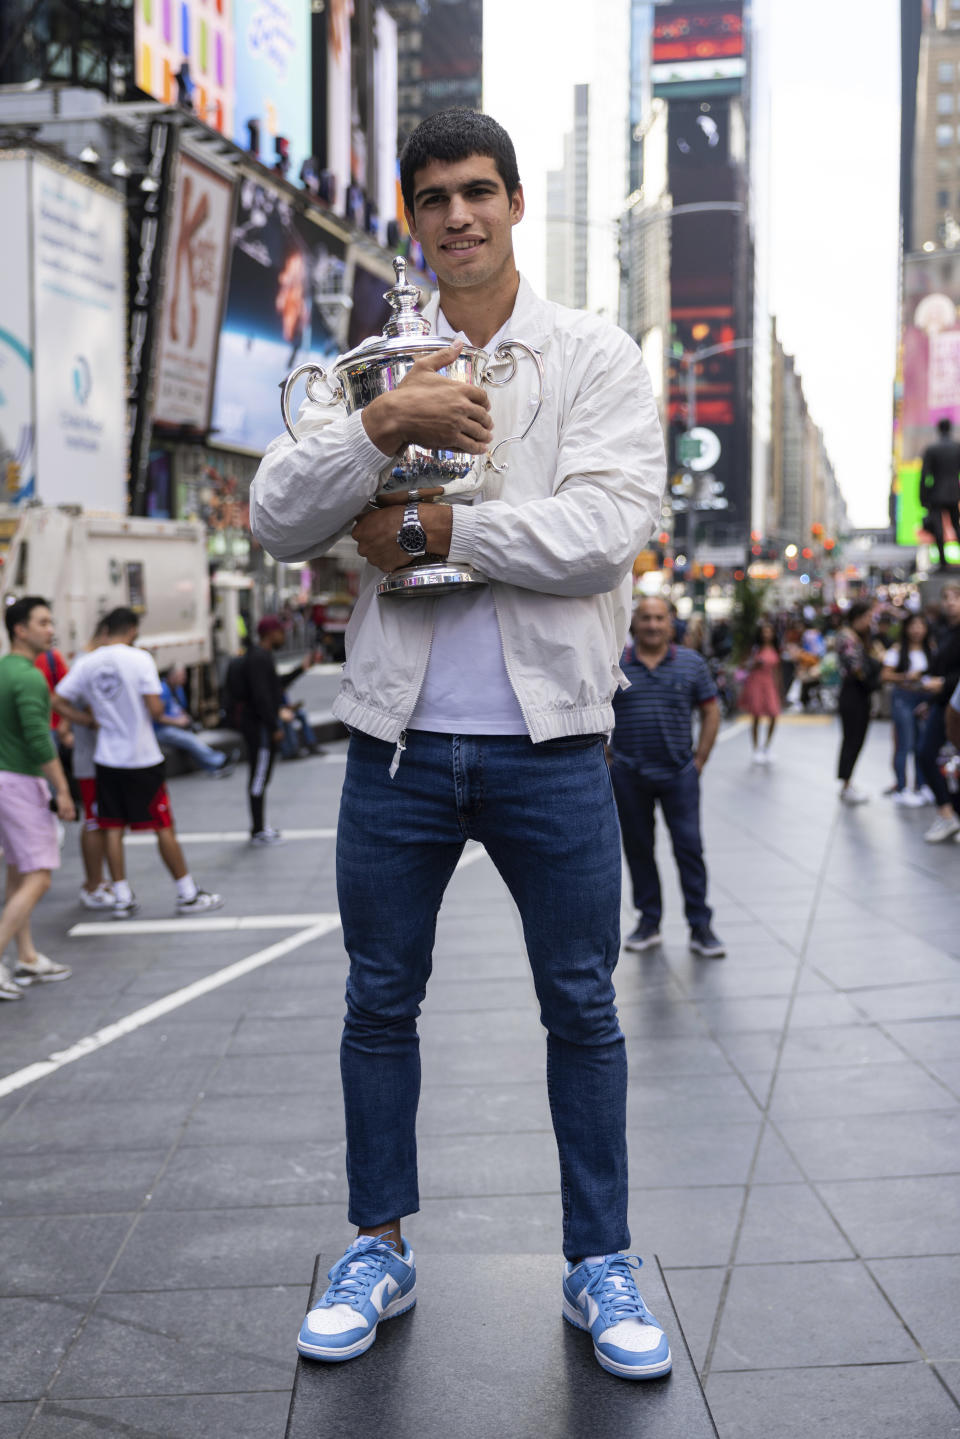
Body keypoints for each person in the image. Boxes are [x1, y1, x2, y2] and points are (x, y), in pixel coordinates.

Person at [250, 109, 670, 1379]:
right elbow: (278, 516)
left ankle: (599, 1260)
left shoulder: (594, 355)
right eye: (433, 198)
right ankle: (376, 1244)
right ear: (413, 218)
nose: (458, 217)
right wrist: (382, 428)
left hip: (552, 746)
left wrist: (440, 531)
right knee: (380, 1004)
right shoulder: (374, 365)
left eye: (478, 192)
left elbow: (605, 531)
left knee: (583, 1007)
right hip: (397, 748)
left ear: (518, 203)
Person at [53, 607, 223, 917]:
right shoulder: (140, 659)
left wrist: (89, 721)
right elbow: (156, 710)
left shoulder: (87, 663)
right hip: (142, 756)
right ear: (131, 630)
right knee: (163, 825)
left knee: (112, 826)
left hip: (106, 756)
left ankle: (121, 895)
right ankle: (186, 891)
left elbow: (58, 699)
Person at [609, 597, 725, 958]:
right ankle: (649, 921)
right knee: (639, 849)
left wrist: (700, 759)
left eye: (660, 618)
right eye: (646, 618)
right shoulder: (616, 664)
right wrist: (608, 758)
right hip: (629, 774)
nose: (653, 625)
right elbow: (596, 710)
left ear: (671, 622)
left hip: (679, 775)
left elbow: (711, 710)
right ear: (634, 622)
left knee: (689, 848)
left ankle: (700, 925)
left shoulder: (691, 663)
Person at [0, 596, 76, 1001]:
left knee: (18, 872)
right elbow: (38, 741)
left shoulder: (3, 670)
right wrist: (62, 790)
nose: (51, 630)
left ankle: (27, 955)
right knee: (40, 875)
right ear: (20, 629)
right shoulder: (29, 677)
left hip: (4, 781)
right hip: (19, 784)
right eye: (43, 622)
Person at [226, 616, 299, 844]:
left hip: (258, 723)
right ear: (270, 633)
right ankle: (257, 829)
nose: (283, 635)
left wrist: (302, 668)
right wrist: (273, 725)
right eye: (280, 631)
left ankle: (259, 827)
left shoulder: (261, 656)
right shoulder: (258, 658)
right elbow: (261, 697)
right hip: (257, 726)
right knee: (259, 776)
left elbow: (274, 688)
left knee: (261, 775)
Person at [68, 618, 114, 909]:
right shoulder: (86, 663)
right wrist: (89, 719)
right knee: (95, 822)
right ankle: (92, 884)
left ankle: (99, 880)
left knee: (103, 821)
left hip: (101, 758)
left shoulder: (89, 661)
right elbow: (61, 700)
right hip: (90, 759)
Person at [916, 581, 960, 841]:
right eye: (947, 597)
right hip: (944, 703)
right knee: (925, 755)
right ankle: (946, 813)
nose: (950, 602)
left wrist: (944, 683)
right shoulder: (943, 631)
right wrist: (931, 699)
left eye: (956, 596)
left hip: (952, 701)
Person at [881, 613, 933, 806]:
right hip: (904, 698)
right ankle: (901, 787)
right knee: (904, 743)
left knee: (923, 744)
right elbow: (885, 675)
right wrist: (907, 677)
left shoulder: (931, 649)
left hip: (925, 699)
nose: (917, 630)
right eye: (913, 625)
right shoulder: (897, 650)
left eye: (920, 625)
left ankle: (922, 784)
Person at [835, 600, 882, 805]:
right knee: (852, 739)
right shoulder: (847, 637)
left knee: (856, 739)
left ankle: (848, 782)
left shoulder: (859, 637)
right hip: (853, 693)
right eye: (868, 618)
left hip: (860, 693)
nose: (870, 623)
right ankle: (846, 784)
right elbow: (856, 668)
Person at [154, 663, 239, 777]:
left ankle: (214, 767)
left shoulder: (178, 689)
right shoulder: (162, 690)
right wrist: (177, 722)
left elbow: (180, 708)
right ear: (172, 676)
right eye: (181, 675)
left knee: (192, 738)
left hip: (175, 726)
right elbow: (157, 716)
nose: (184, 678)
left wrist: (185, 720)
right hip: (161, 729)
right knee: (188, 739)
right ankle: (219, 761)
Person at [920, 417, 960, 569]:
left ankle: (943, 562)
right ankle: (944, 562)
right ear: (949, 429)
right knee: (956, 526)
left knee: (938, 529)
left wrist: (922, 497)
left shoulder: (931, 449)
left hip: (936, 494)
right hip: (953, 493)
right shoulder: (957, 447)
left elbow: (924, 476)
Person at [739, 620, 782, 763]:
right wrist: (754, 664)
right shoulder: (755, 649)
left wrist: (779, 689)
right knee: (756, 716)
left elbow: (777, 670)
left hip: (769, 684)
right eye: (764, 632)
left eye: (769, 631)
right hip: (756, 682)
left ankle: (767, 747)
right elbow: (743, 665)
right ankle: (756, 748)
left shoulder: (775, 649)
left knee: (774, 715)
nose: (767, 634)